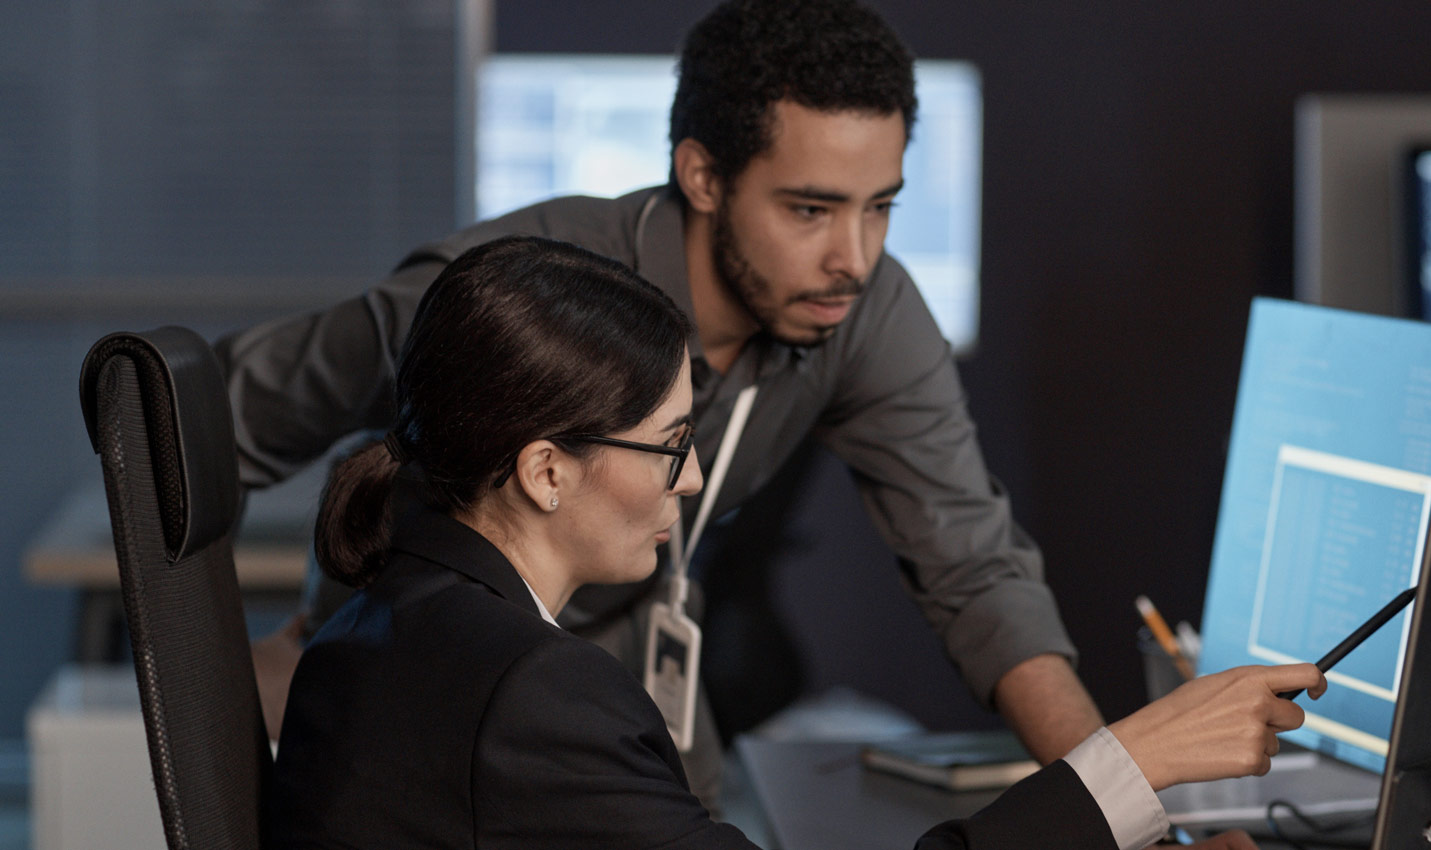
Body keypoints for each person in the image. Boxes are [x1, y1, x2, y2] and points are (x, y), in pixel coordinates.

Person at [223, 0, 1103, 798]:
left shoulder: (867, 313)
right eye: (809, 210)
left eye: (880, 208)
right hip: (432, 683)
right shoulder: (517, 291)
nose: (855, 258)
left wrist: (1130, 810)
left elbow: (974, 569)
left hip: (627, 672)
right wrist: (215, 680)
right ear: (703, 176)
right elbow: (211, 418)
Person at [269, 234, 1326, 850]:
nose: (688, 479)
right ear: (546, 469)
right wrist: (1133, 760)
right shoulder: (532, 694)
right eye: (668, 444)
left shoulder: (374, 627)